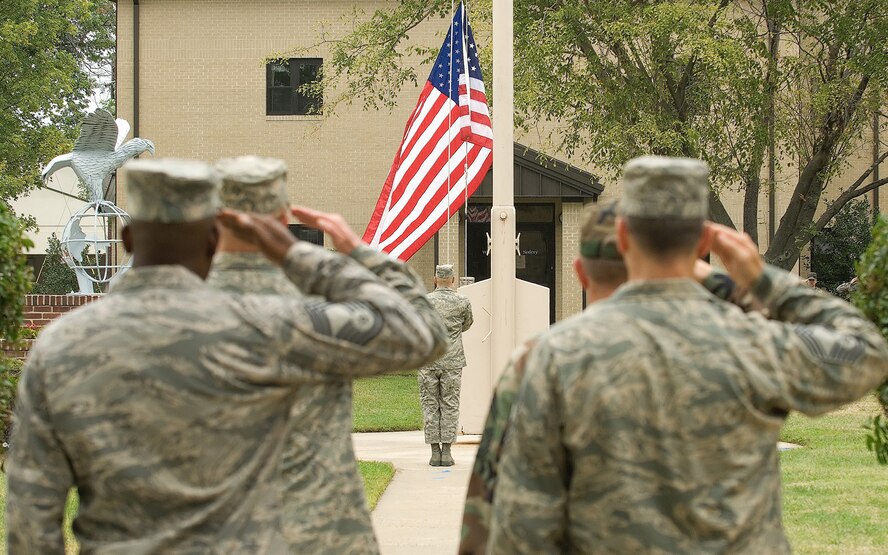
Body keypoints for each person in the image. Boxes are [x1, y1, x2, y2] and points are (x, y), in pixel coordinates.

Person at [5, 158, 448, 553]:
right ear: (213, 234)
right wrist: (322, 255)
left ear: (127, 237)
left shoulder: (59, 345)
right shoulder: (265, 325)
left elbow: (30, 514)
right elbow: (419, 334)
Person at [487, 156, 888, 553]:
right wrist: (765, 281)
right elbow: (868, 353)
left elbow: (522, 529)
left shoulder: (557, 357)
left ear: (623, 237)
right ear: (702, 241)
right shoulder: (755, 345)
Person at [458, 203, 765, 554]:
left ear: (581, 273)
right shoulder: (724, 355)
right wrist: (734, 283)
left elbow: (486, 506)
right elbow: (827, 348)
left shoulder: (538, 361)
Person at [206, 155, 377, 553]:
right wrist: (351, 254)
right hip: (321, 536)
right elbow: (419, 333)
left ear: (216, 218)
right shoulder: (318, 311)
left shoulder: (173, 309)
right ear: (285, 219)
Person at [419, 264, 474, 466]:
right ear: (452, 280)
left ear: (435, 279)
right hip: (452, 360)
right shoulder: (462, 301)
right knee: (450, 404)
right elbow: (467, 324)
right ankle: (447, 452)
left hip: (428, 361)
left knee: (430, 404)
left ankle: (435, 452)